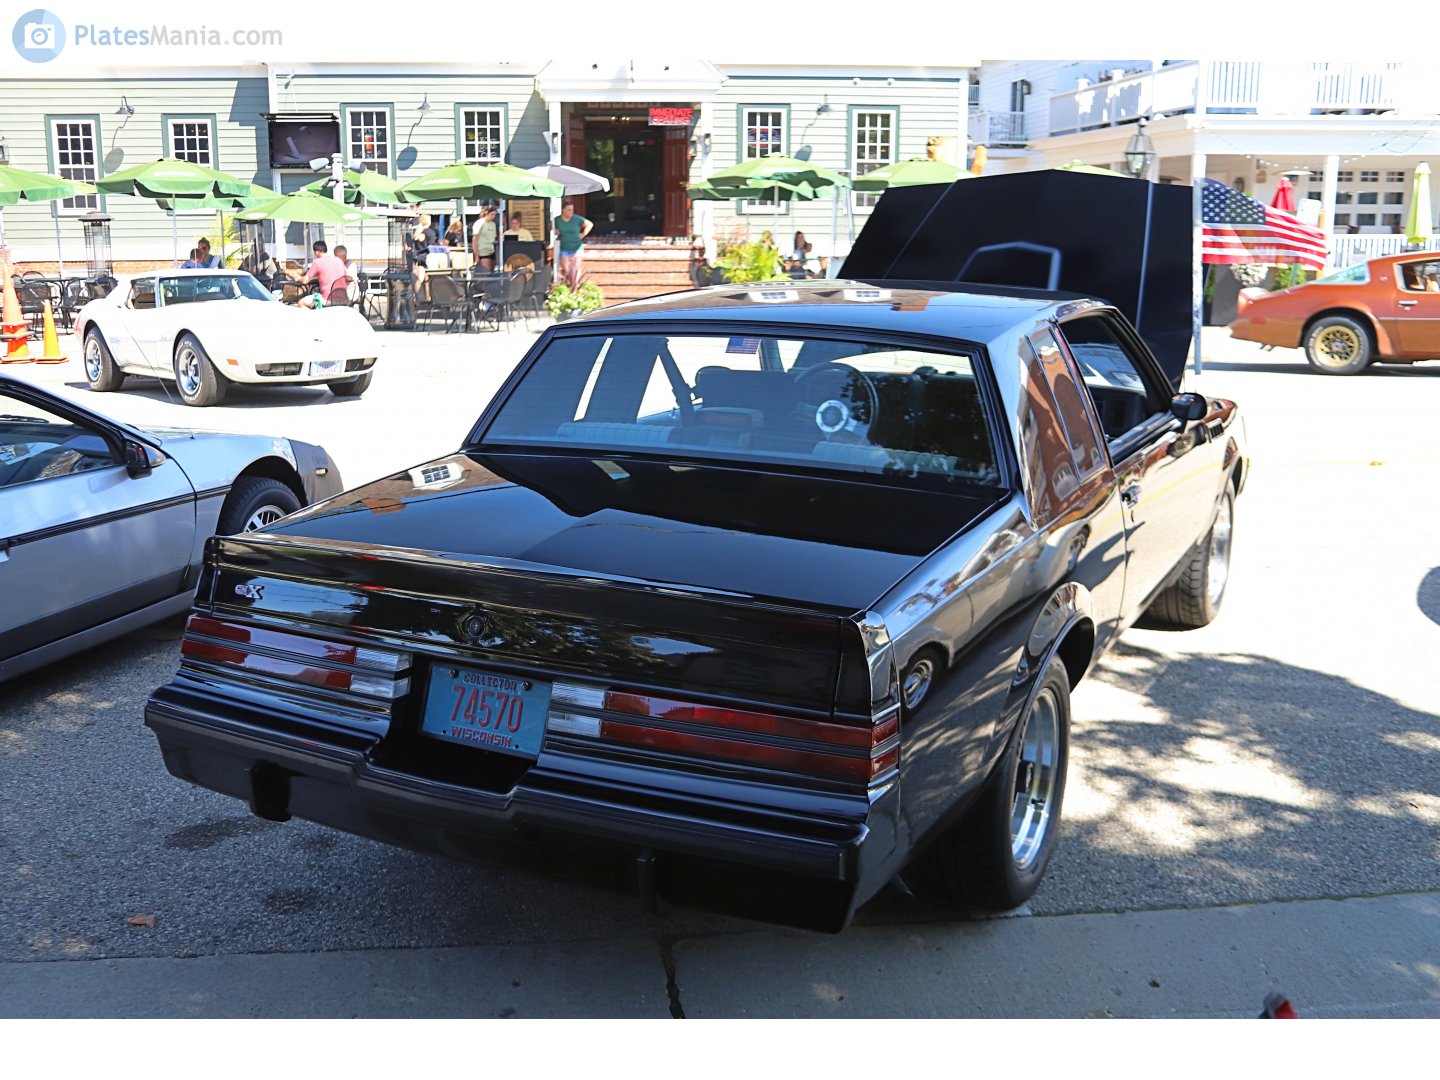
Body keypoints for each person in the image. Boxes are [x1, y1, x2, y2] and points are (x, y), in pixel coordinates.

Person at [287, 240, 349, 309]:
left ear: (316, 252)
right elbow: (345, 275)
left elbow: (305, 280)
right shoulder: (338, 260)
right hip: (344, 298)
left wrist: (298, 278)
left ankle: (314, 316)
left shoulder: (317, 262)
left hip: (328, 299)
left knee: (301, 303)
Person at [552, 200, 592, 290]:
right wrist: (555, 231)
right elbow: (550, 227)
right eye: (569, 210)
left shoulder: (577, 219)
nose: (571, 212)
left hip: (577, 247)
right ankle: (570, 285)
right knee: (566, 269)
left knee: (575, 268)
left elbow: (589, 224)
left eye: (572, 210)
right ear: (563, 210)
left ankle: (574, 287)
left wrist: (583, 234)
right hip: (564, 247)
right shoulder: (557, 220)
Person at [471, 206, 498, 271]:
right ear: (486, 213)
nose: (493, 216)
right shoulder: (479, 223)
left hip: (492, 250)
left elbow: (493, 238)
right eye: (492, 214)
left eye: (495, 214)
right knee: (486, 271)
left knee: (493, 272)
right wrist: (476, 255)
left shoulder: (493, 224)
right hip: (483, 252)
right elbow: (475, 239)